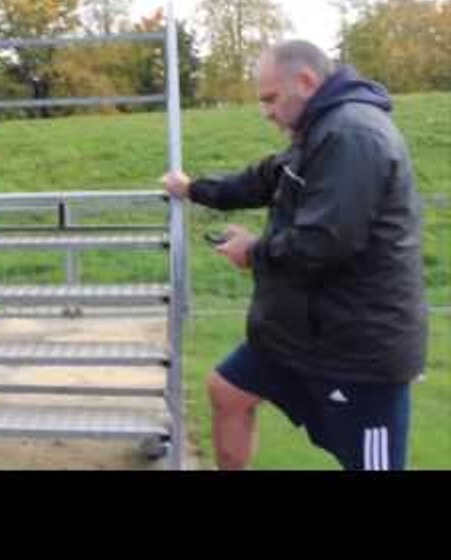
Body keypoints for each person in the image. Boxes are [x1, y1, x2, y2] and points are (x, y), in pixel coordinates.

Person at [162, 40, 428, 471]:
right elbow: (265, 179)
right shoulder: (318, 130)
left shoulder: (352, 134)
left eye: (270, 98)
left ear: (305, 82)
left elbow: (324, 242)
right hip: (300, 335)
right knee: (227, 390)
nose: (266, 111)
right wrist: (194, 189)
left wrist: (253, 251)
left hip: (358, 349)